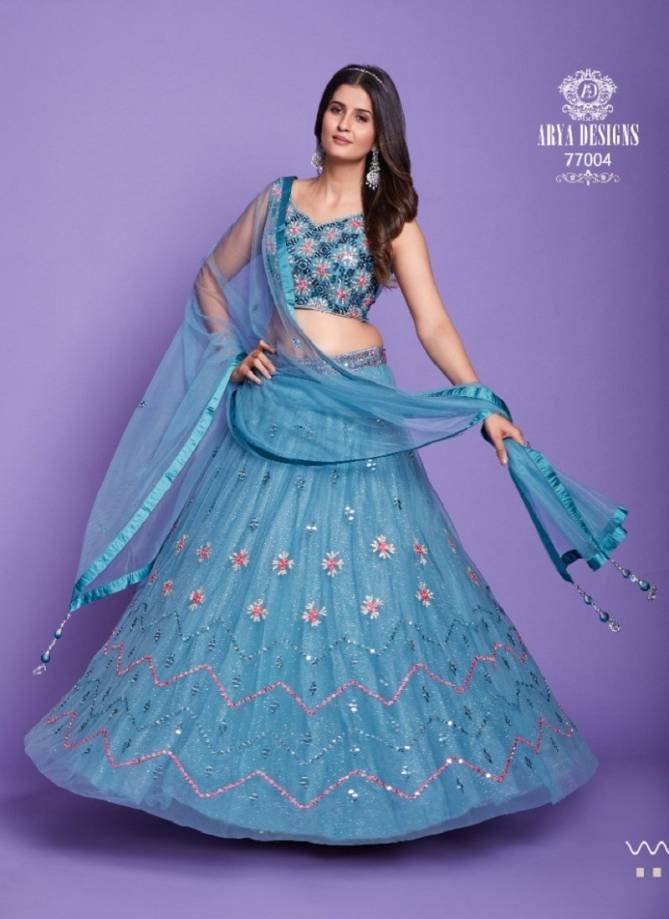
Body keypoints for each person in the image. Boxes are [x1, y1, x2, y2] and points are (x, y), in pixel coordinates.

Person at [24, 64, 657, 846]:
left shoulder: (391, 219)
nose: (344, 123)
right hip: (278, 405)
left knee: (372, 588)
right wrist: (230, 352)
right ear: (319, 118)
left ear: (380, 134)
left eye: (360, 114)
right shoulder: (276, 200)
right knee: (246, 587)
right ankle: (245, 780)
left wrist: (486, 405)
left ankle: (380, 788)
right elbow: (209, 279)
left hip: (357, 407)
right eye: (335, 108)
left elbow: (432, 325)